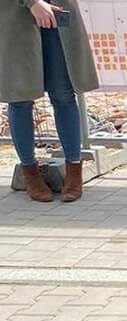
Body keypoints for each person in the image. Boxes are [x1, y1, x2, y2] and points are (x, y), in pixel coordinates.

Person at [1, 0, 98, 203]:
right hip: (16, 16)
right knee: (20, 97)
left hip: (57, 12)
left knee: (63, 93)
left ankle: (74, 169)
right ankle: (30, 172)